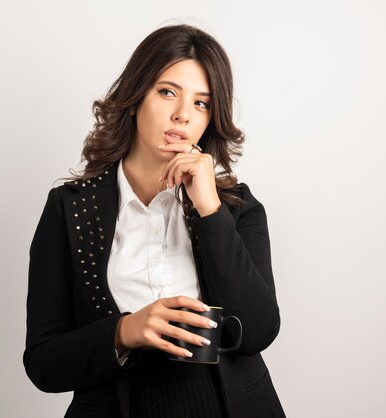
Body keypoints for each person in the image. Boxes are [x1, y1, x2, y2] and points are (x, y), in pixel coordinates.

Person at [23, 23, 285, 418]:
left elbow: (258, 330)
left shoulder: (236, 208)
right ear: (134, 98)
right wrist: (125, 331)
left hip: (229, 407)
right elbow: (44, 363)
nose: (182, 115)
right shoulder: (69, 208)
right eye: (167, 92)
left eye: (201, 103)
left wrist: (209, 209)